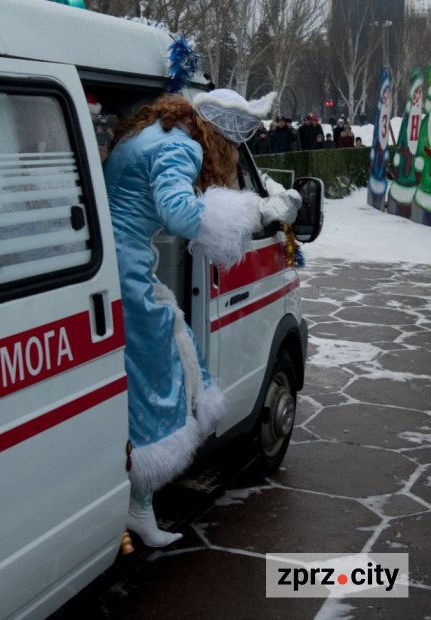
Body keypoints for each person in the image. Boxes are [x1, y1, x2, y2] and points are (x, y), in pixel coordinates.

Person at [102, 90, 301, 547]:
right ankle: (141, 506)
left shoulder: (154, 131)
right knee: (161, 375)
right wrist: (258, 211)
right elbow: (180, 214)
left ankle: (137, 502)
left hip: (117, 264)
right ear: (221, 139)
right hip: (127, 271)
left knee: (166, 356)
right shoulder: (182, 146)